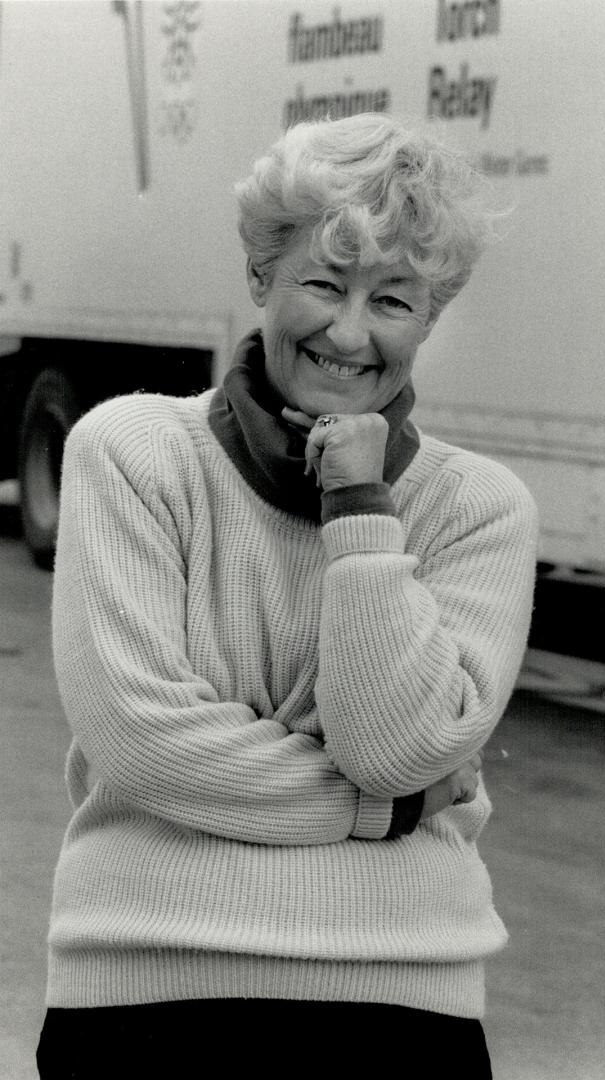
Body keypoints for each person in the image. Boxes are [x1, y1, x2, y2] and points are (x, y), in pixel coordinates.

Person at [37, 113, 538, 1078]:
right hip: (144, 995)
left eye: (392, 299)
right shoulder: (132, 454)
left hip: (402, 1008)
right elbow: (145, 743)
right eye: (321, 282)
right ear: (262, 278)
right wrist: (383, 813)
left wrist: (359, 505)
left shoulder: (481, 510)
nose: (348, 332)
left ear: (430, 317)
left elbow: (394, 745)